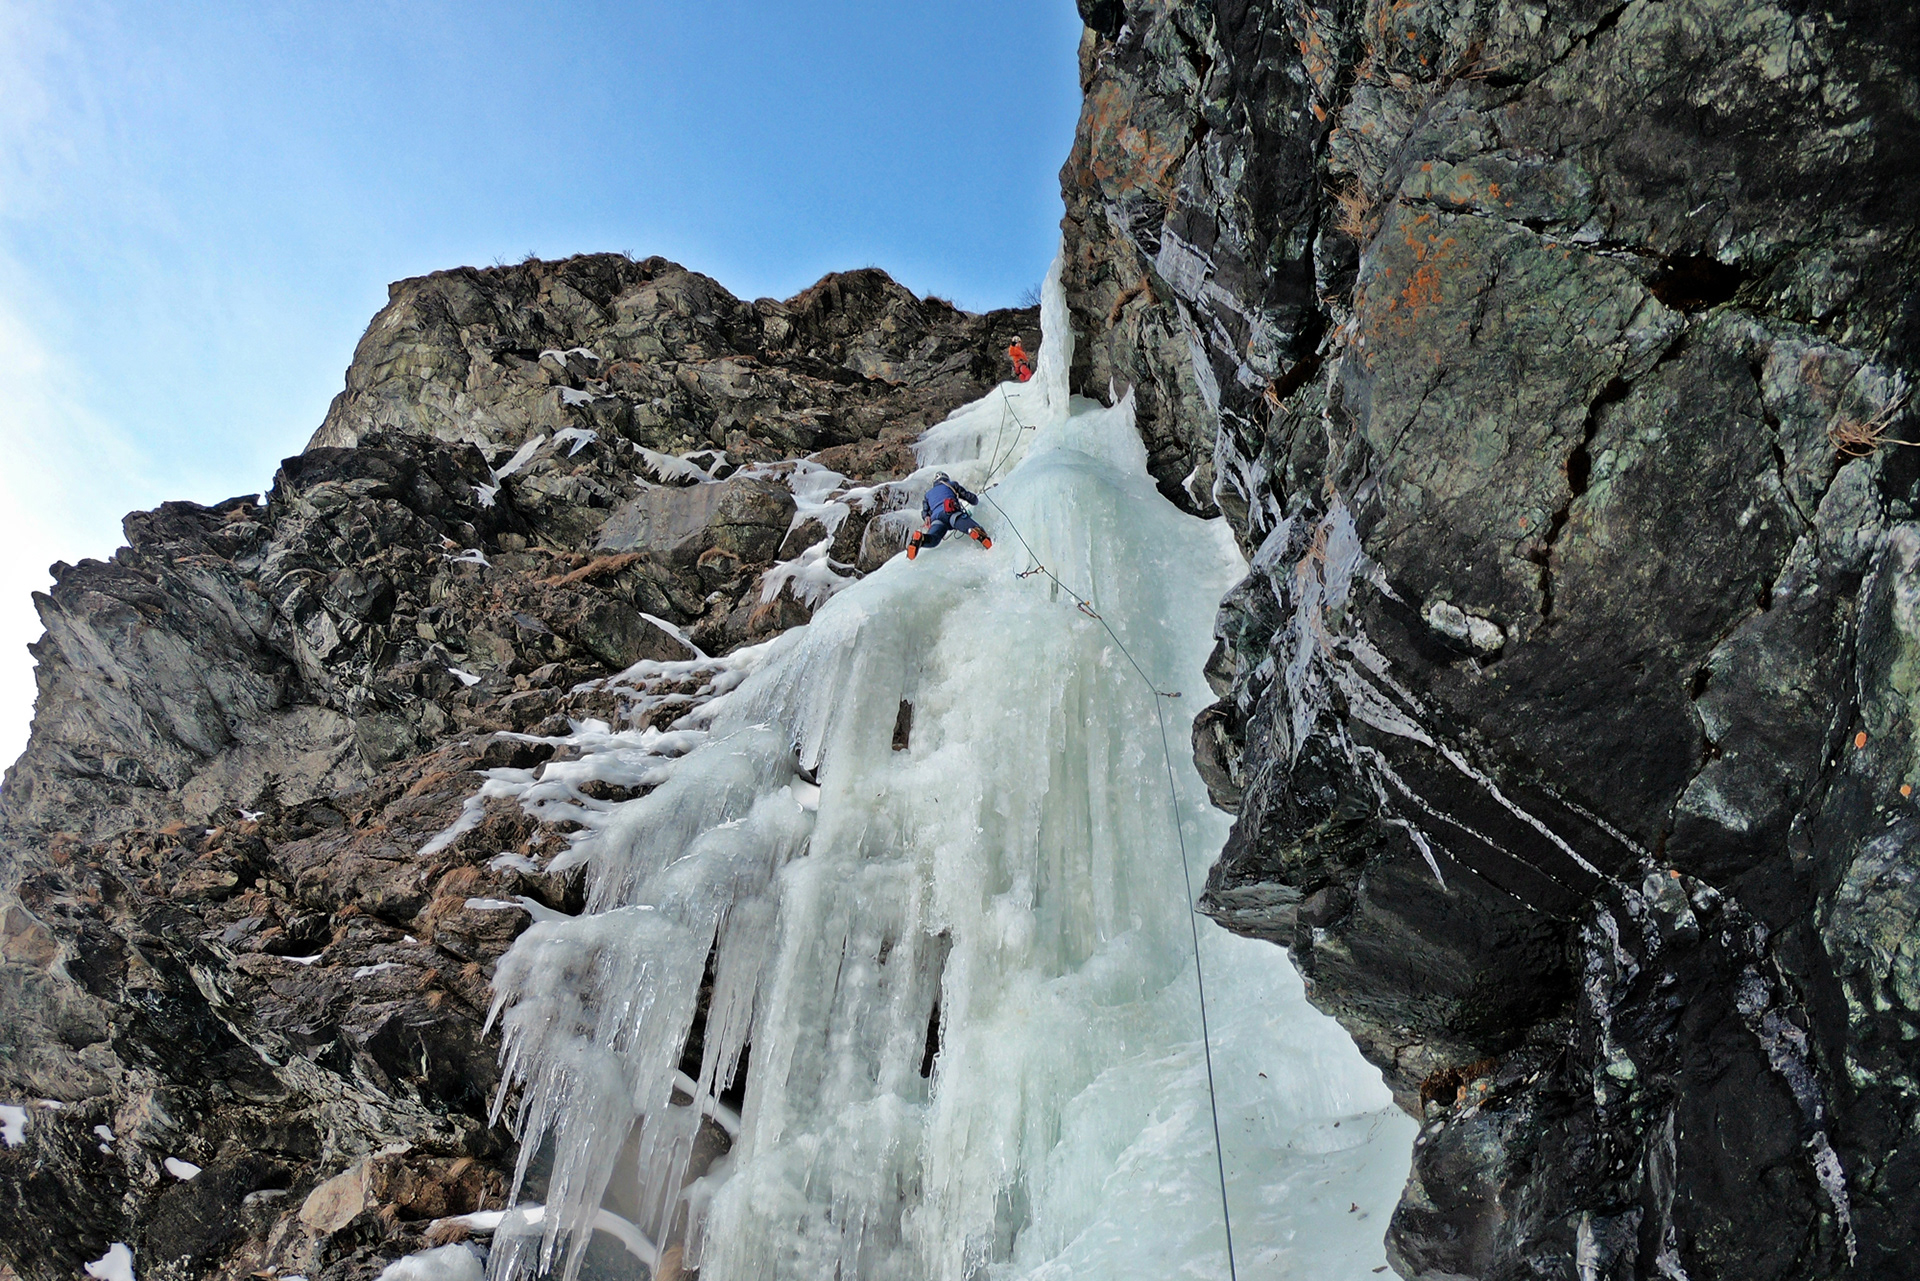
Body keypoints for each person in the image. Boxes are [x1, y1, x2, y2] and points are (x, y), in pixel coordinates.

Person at [907, 473, 992, 560]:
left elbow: (925, 513)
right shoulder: (951, 485)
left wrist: (926, 517)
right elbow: (970, 498)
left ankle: (921, 539)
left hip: (937, 519)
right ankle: (976, 532)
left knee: (934, 539)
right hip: (952, 514)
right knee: (972, 527)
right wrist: (975, 500)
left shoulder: (928, 494)